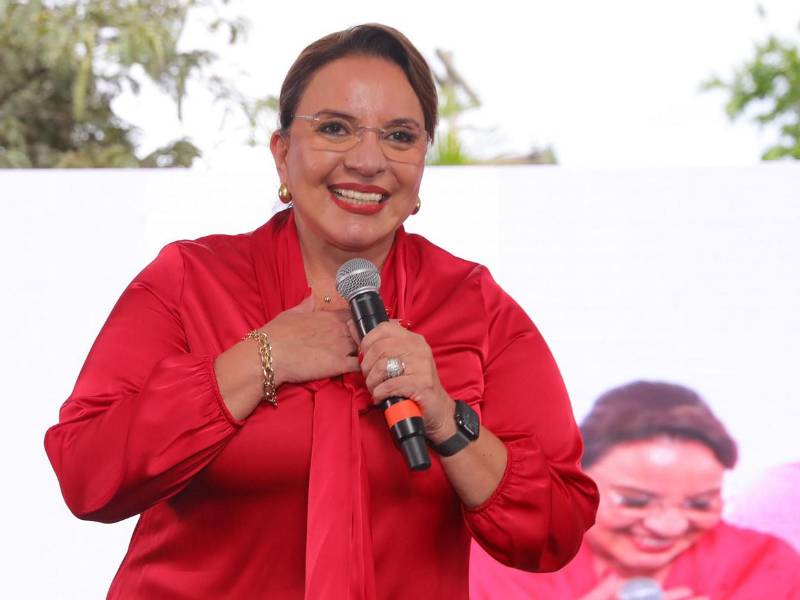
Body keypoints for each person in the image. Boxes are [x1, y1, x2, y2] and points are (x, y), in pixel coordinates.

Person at [43, 23, 598, 600]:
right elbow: (86, 474)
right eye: (335, 128)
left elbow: (555, 529)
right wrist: (264, 357)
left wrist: (444, 417)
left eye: (400, 136)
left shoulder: (473, 304)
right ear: (282, 154)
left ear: (422, 163)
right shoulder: (190, 281)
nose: (368, 160)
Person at [470, 381, 800, 599]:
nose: (668, 526)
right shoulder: (503, 558)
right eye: (635, 501)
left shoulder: (761, 563)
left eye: (700, 504)